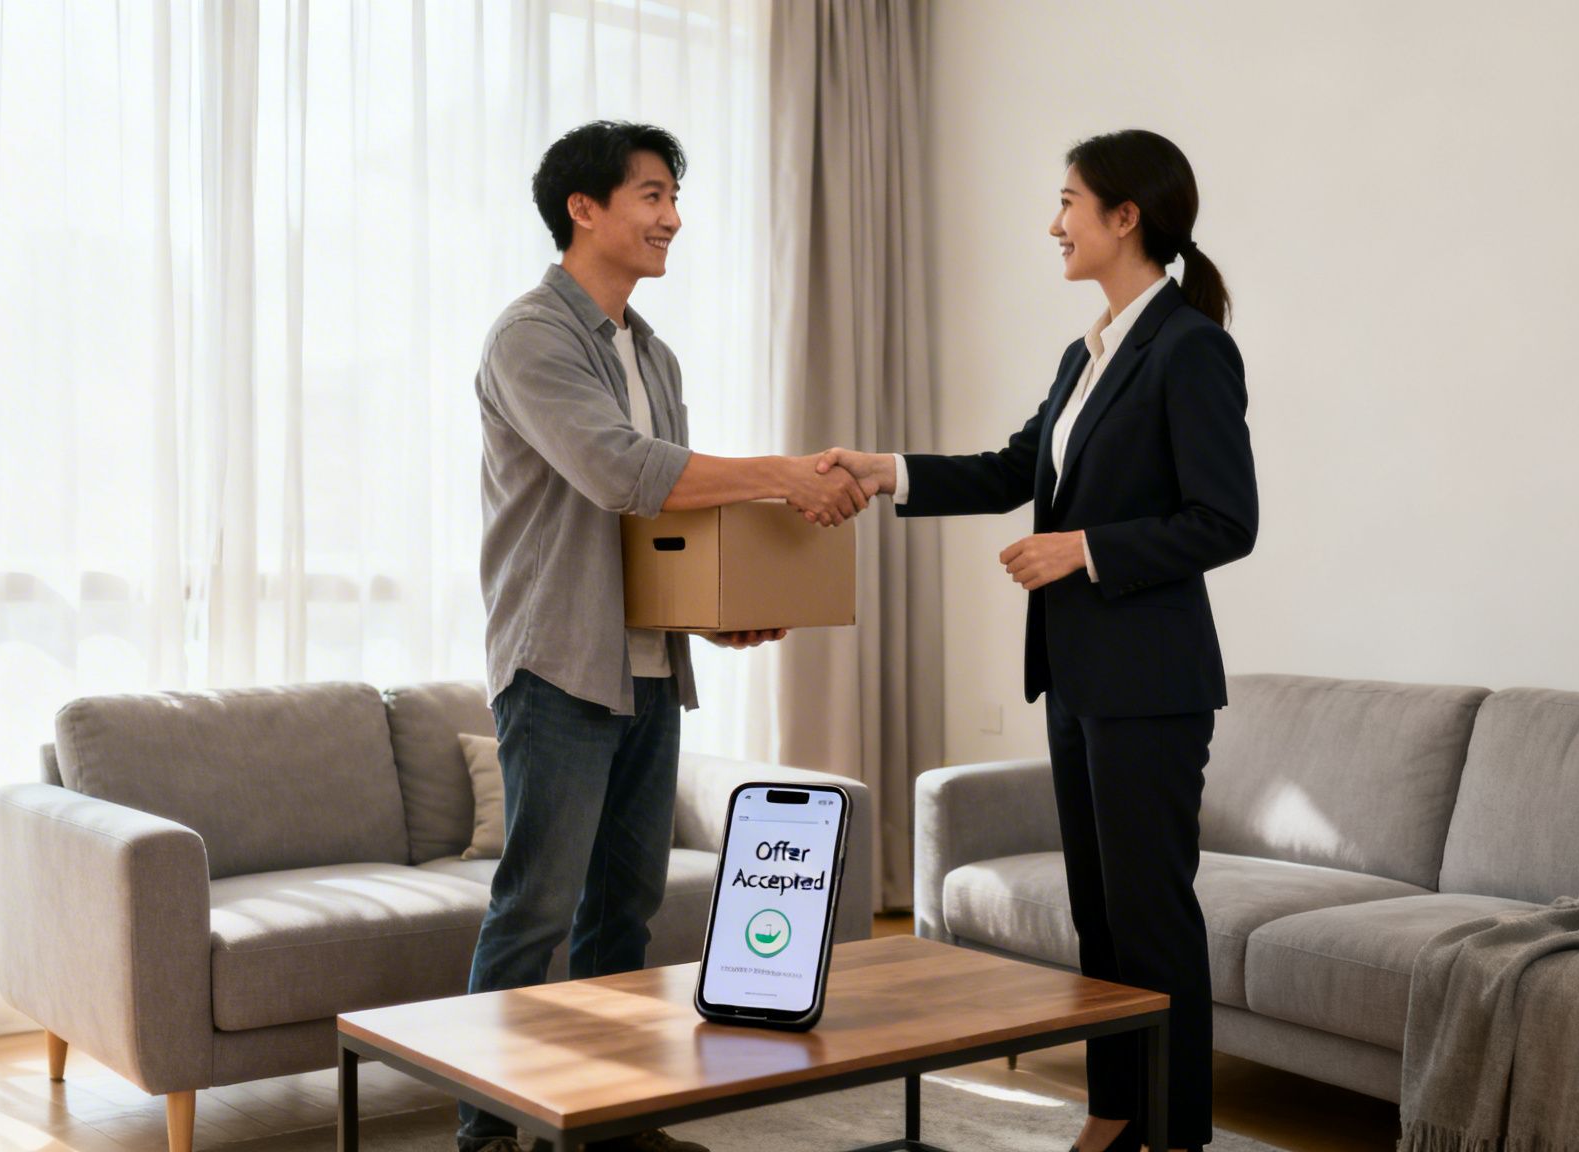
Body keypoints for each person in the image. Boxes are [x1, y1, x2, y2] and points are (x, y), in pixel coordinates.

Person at [820, 129, 1257, 1152]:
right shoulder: (1090, 351)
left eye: (1067, 202)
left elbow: (1224, 521)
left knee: (1151, 916)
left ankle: (1174, 1134)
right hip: (1075, 677)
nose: (1051, 223)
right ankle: (1115, 1113)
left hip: (1150, 683)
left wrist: (1082, 552)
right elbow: (1011, 466)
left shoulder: (1190, 347)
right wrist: (882, 468)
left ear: (1124, 217)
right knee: (1099, 921)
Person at [465, 120, 869, 1152]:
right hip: (557, 662)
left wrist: (717, 616)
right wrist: (784, 474)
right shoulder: (530, 335)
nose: (671, 220)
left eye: (672, 199)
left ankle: (604, 1124)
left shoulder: (651, 352)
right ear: (582, 209)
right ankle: (485, 1133)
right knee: (535, 911)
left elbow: (664, 524)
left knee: (624, 913)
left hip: (646, 667)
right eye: (650, 196)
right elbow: (619, 473)